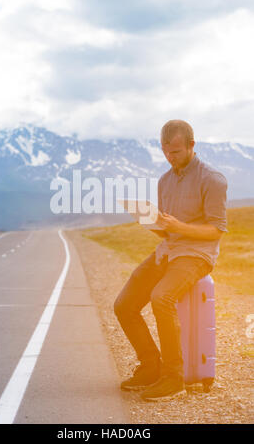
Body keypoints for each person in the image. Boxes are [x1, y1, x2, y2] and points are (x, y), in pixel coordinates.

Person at [114, 119, 228, 401]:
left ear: (192, 145)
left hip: (197, 255)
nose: (170, 157)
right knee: (124, 305)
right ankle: (151, 367)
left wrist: (179, 228)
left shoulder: (212, 180)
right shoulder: (165, 180)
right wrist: (151, 222)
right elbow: (168, 228)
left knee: (161, 298)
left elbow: (216, 230)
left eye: (175, 152)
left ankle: (173, 378)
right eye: (165, 151)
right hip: (169, 249)